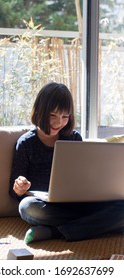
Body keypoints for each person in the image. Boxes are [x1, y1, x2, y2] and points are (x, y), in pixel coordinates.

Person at [9, 82, 124, 244]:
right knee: (27, 208)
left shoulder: (74, 138)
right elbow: (13, 193)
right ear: (40, 111)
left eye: (65, 117)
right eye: (53, 115)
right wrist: (20, 187)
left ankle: (54, 232)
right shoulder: (26, 143)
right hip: (46, 206)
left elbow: (86, 177)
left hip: (78, 203)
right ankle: (104, 224)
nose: (58, 123)